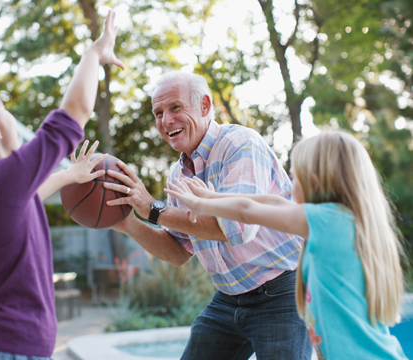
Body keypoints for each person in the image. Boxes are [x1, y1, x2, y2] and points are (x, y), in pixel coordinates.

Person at [0, 10, 123, 359]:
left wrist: (68, 177)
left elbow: (29, 199)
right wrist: (94, 53)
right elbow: (75, 111)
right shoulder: (2, 180)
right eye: (3, 107)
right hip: (6, 351)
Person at [104, 71, 312, 359]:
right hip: (229, 299)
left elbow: (235, 228)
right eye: (158, 113)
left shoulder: (240, 144)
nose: (165, 121)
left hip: (282, 293)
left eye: (175, 108)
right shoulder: (178, 174)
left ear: (204, 106)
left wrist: (153, 208)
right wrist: (128, 223)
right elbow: (177, 251)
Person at [165, 131, 407, 360]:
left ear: (313, 182)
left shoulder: (326, 221)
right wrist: (211, 197)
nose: (290, 186)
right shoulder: (337, 220)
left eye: (294, 177)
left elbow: (247, 211)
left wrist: (198, 203)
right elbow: (273, 202)